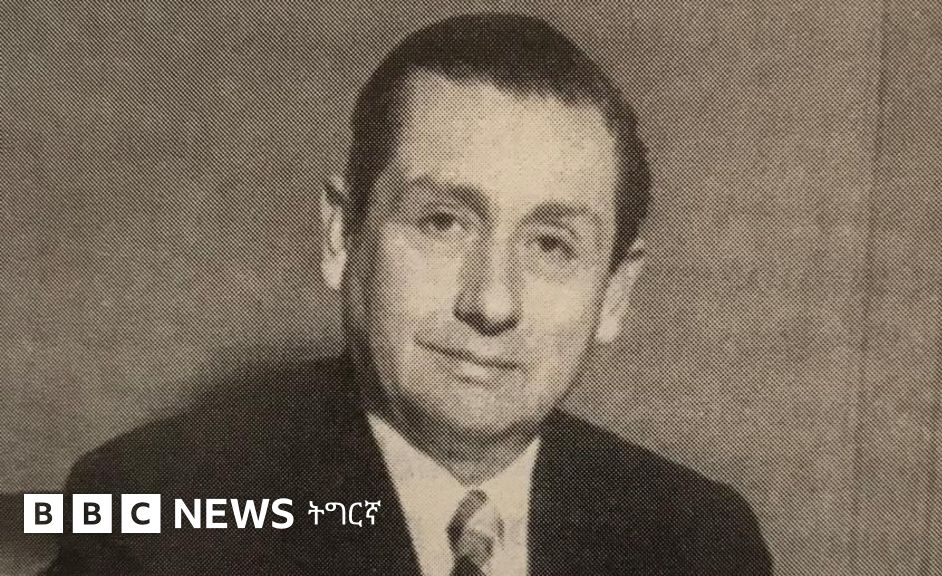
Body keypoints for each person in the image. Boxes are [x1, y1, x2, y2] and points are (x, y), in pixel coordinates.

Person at [47, 13, 772, 576]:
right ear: (343, 235)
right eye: (443, 222)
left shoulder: (698, 543)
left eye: (551, 244)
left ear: (613, 293)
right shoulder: (154, 518)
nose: (492, 302)